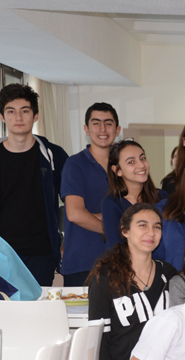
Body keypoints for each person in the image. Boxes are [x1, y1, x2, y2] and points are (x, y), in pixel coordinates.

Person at [88, 204, 176, 360]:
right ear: (125, 231)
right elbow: (98, 344)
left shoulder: (169, 274)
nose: (151, 232)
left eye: (157, 227)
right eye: (142, 225)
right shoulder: (105, 277)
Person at [0, 83, 68, 285]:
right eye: (11, 111)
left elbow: (72, 202)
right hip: (2, 254)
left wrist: (67, 241)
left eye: (25, 111)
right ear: (2, 117)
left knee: (37, 304)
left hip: (41, 255)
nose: (18, 118)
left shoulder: (54, 155)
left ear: (35, 115)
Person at [60, 102, 121, 287]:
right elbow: (75, 214)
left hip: (119, 263)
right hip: (82, 265)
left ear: (117, 129)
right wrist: (114, 229)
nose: (102, 129)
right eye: (96, 123)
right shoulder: (75, 164)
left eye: (108, 123)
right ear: (86, 129)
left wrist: (97, 216)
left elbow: (131, 210)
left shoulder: (124, 165)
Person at [101, 140, 166, 248]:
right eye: (131, 162)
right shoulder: (111, 203)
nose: (141, 165)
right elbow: (115, 246)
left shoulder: (162, 197)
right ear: (117, 170)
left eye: (143, 158)